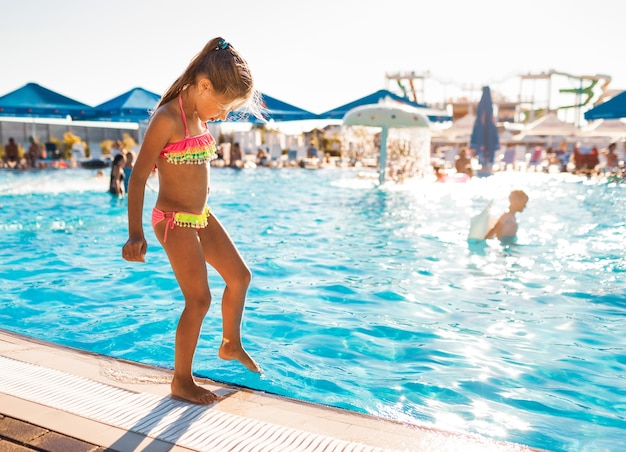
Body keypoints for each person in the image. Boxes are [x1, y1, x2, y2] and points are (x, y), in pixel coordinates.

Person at [122, 37, 262, 405]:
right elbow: (137, 177)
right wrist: (135, 232)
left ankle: (230, 343)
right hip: (172, 220)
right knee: (199, 299)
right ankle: (181, 380)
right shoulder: (168, 118)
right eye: (224, 106)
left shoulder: (198, 114)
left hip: (200, 217)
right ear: (203, 86)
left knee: (240, 276)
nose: (225, 116)